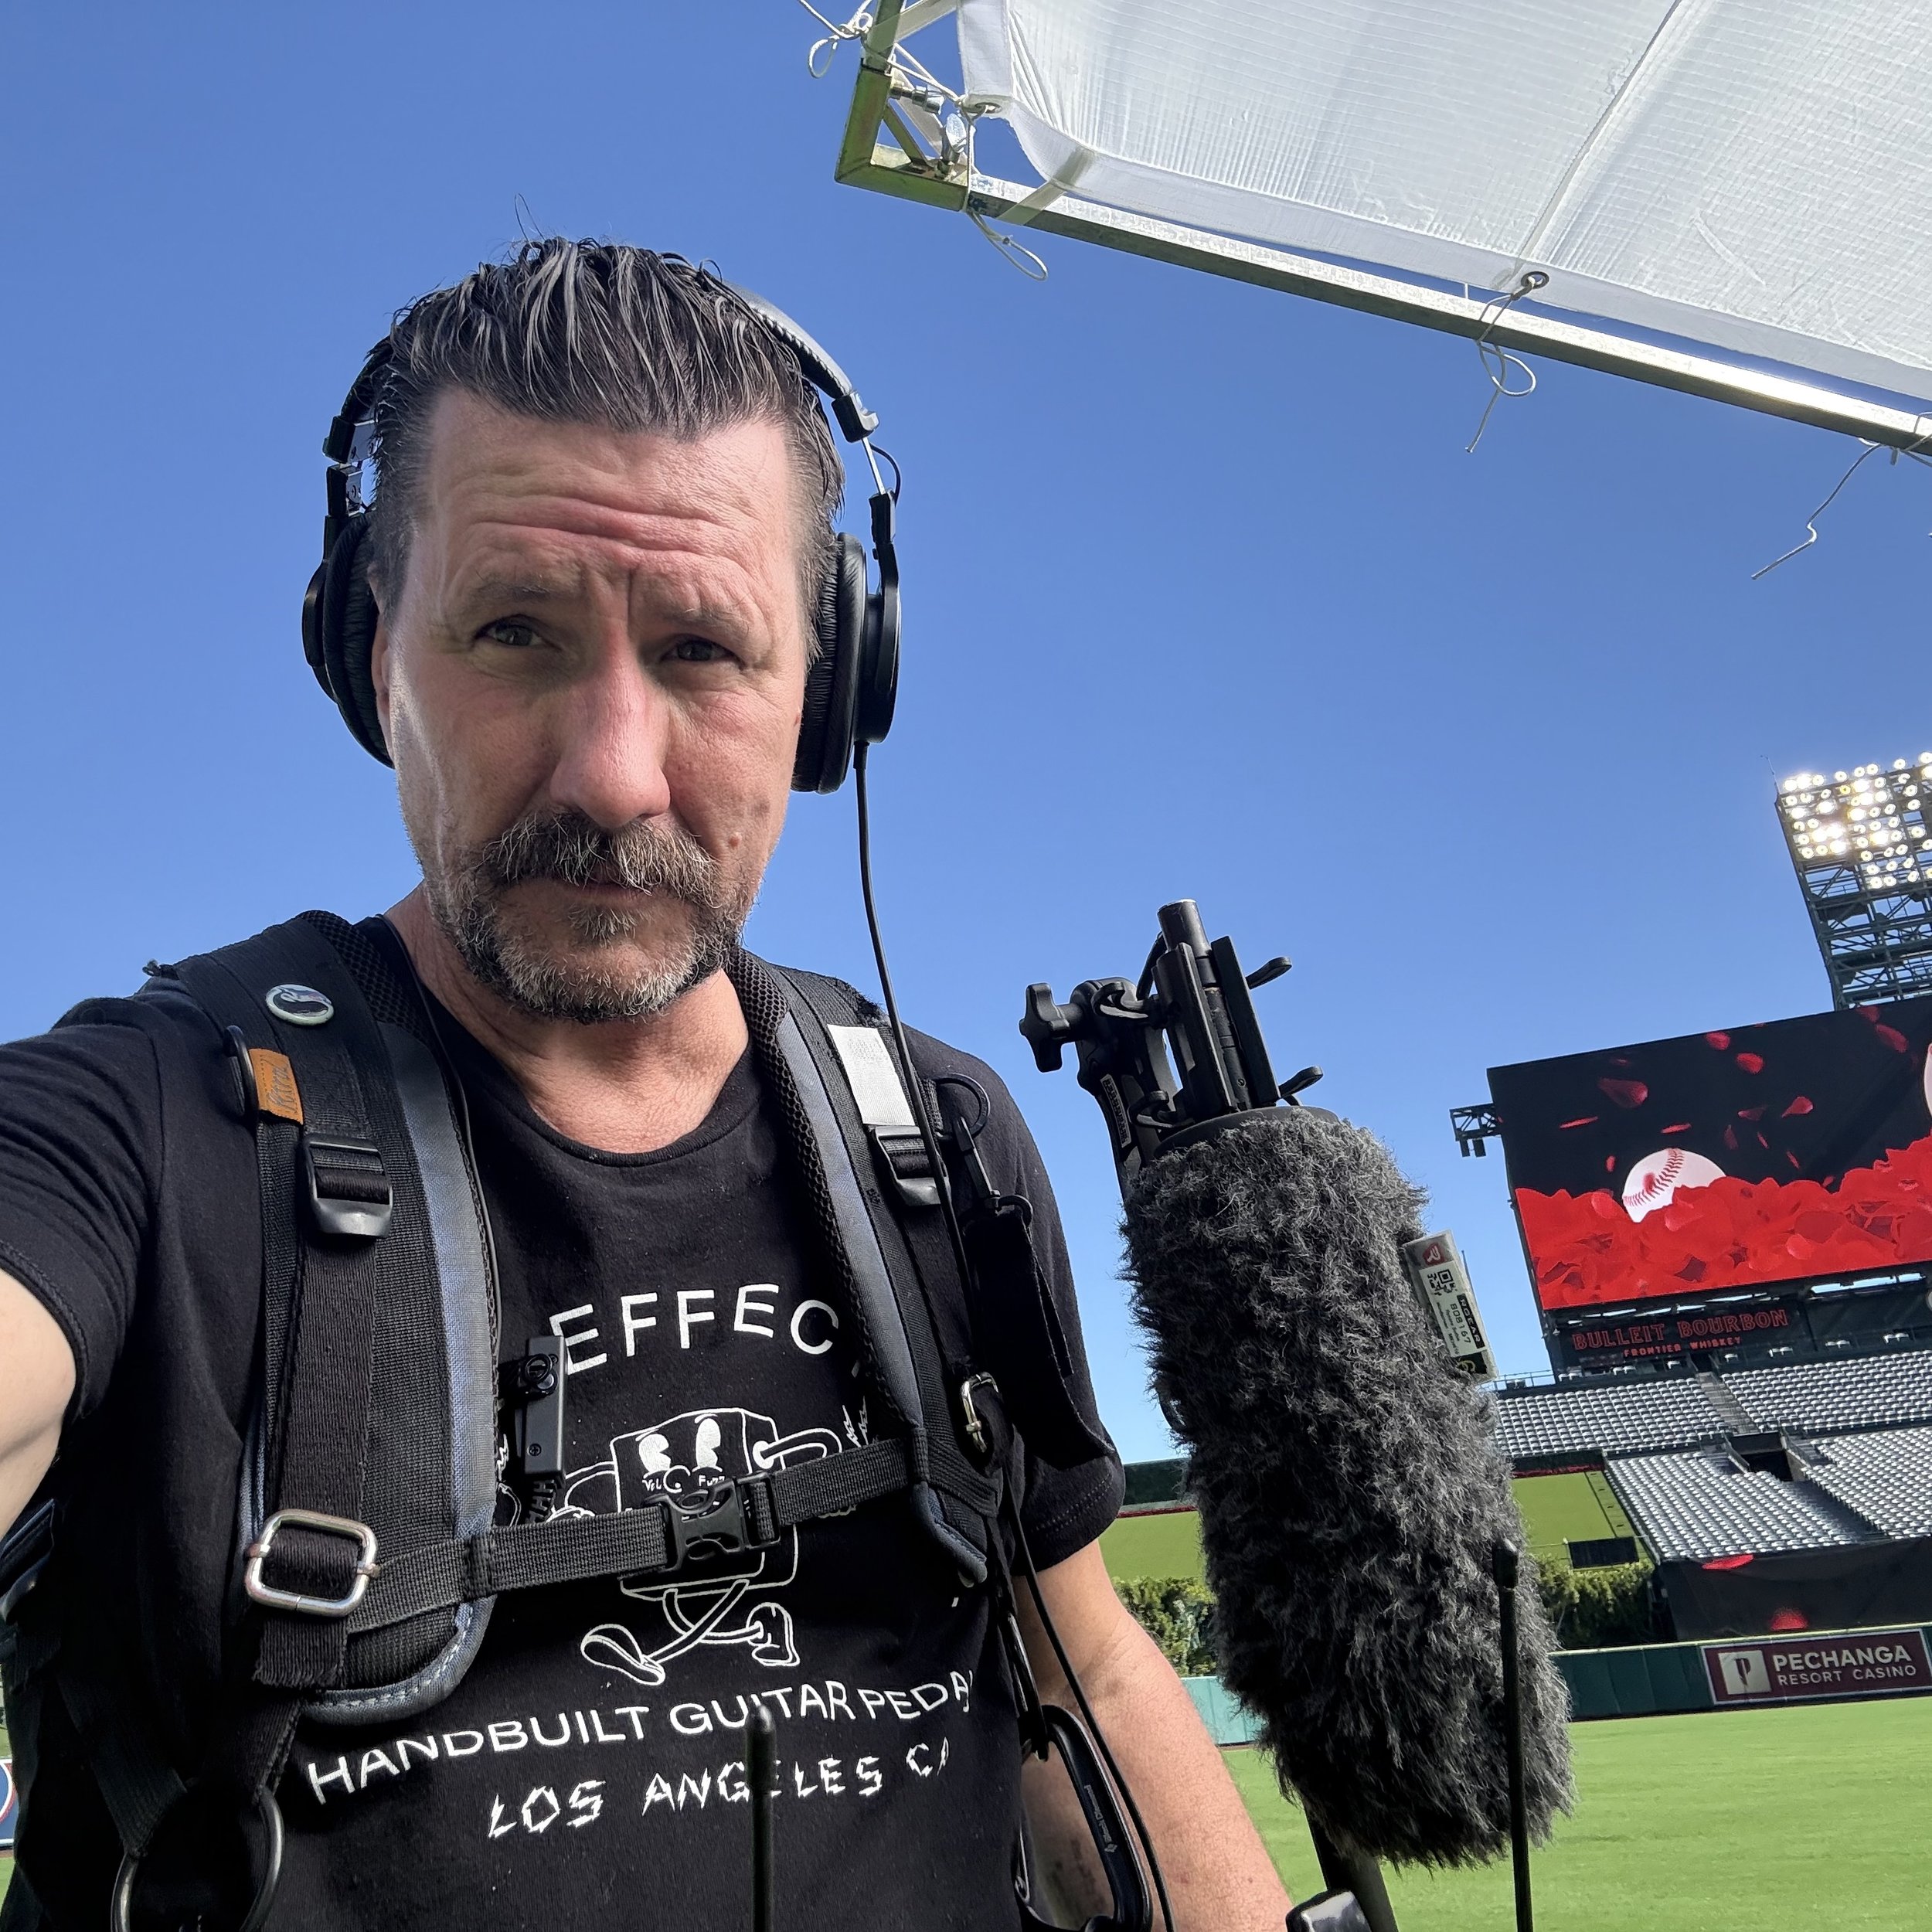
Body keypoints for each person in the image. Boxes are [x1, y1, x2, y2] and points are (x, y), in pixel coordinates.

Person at [0, 240, 1291, 1930]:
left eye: (701, 648)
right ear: (368, 654)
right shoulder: (141, 1123)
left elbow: (1090, 1674)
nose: (614, 773)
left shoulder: (935, 1134)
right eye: (516, 631)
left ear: (829, 683)